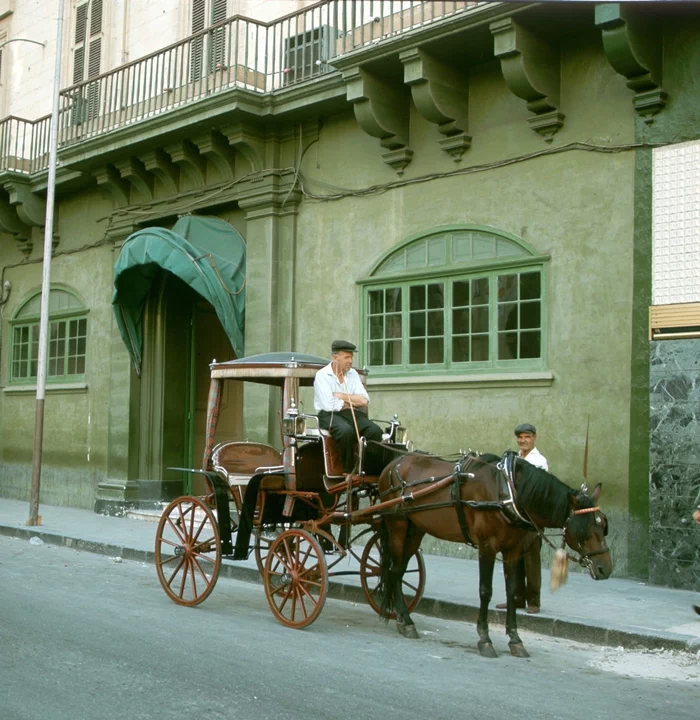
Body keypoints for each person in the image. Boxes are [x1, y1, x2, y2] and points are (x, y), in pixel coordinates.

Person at [497, 423, 548, 615]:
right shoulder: (515, 458)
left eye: (526, 437)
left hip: (532, 517)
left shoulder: (539, 460)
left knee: (531, 560)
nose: (522, 441)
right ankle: (515, 598)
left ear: (534, 438)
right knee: (513, 559)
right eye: (519, 437)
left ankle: (533, 601)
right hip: (515, 516)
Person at [313, 340, 383, 475]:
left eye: (351, 357)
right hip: (328, 415)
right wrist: (351, 400)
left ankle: (367, 469)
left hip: (349, 412)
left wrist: (340, 396)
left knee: (375, 431)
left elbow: (364, 400)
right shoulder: (322, 375)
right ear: (335, 357)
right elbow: (329, 405)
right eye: (347, 357)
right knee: (346, 431)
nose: (350, 361)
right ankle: (347, 470)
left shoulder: (353, 374)